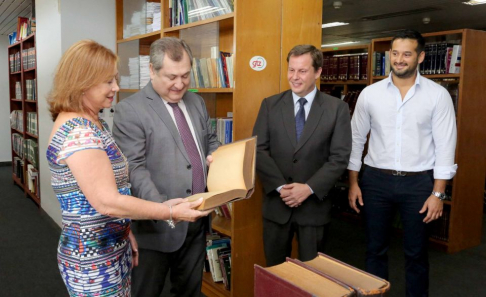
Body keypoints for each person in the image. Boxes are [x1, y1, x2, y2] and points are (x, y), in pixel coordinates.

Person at [46, 40, 211, 297]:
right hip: (94, 256)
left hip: (110, 244)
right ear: (82, 82)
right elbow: (107, 201)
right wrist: (168, 211)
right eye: (108, 81)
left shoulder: (93, 122)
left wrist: (124, 231)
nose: (116, 87)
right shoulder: (80, 132)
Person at [347, 29, 457, 297]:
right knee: (374, 249)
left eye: (406, 54)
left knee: (417, 253)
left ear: (420, 57)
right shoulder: (370, 94)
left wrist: (437, 193)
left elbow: (445, 146)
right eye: (395, 53)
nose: (399, 59)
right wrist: (353, 182)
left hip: (418, 184)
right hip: (376, 181)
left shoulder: (437, 95)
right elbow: (356, 140)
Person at [112, 37, 220, 297]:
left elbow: (211, 143)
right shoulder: (130, 110)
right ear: (152, 70)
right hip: (157, 226)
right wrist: (166, 210)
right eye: (171, 77)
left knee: (189, 291)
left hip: (196, 219)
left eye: (185, 75)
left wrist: (218, 160)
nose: (180, 84)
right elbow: (134, 169)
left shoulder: (197, 102)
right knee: (147, 292)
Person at [252, 44, 352, 266]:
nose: (294, 77)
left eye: (302, 71)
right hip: (276, 207)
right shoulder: (270, 105)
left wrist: (307, 188)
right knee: (276, 273)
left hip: (314, 209)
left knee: (313, 275)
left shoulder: (337, 109)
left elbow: (339, 157)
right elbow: (258, 150)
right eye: (291, 70)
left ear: (317, 72)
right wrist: (282, 188)